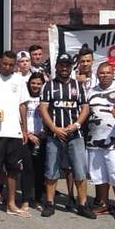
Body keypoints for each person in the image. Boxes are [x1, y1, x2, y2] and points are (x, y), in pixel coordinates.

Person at [39, 52, 94, 219]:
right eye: (62, 65)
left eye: (67, 65)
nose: (64, 68)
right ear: (56, 66)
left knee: (79, 171)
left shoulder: (79, 86)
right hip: (54, 135)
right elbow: (43, 109)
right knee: (51, 170)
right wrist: (54, 128)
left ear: (72, 67)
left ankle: (82, 204)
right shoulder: (48, 86)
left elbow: (85, 108)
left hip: (75, 134)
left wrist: (76, 124)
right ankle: (49, 203)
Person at [0, 50, 30, 217]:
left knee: (13, 170)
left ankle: (11, 204)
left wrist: (24, 129)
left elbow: (22, 105)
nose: (8, 67)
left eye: (11, 65)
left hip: (14, 132)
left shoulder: (18, 79)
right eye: (5, 64)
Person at [85, 62, 115, 221]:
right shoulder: (90, 92)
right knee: (99, 176)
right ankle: (103, 203)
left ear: (113, 74)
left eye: (107, 73)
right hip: (94, 141)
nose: (104, 75)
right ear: (97, 75)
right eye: (101, 73)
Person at [20, 72, 46, 210]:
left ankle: (37, 199)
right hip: (27, 137)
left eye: (38, 83)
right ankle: (25, 199)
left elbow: (50, 117)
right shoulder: (24, 98)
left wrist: (44, 133)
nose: (35, 86)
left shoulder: (45, 98)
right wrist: (27, 133)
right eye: (33, 83)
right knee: (27, 169)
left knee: (40, 170)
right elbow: (18, 117)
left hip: (42, 137)